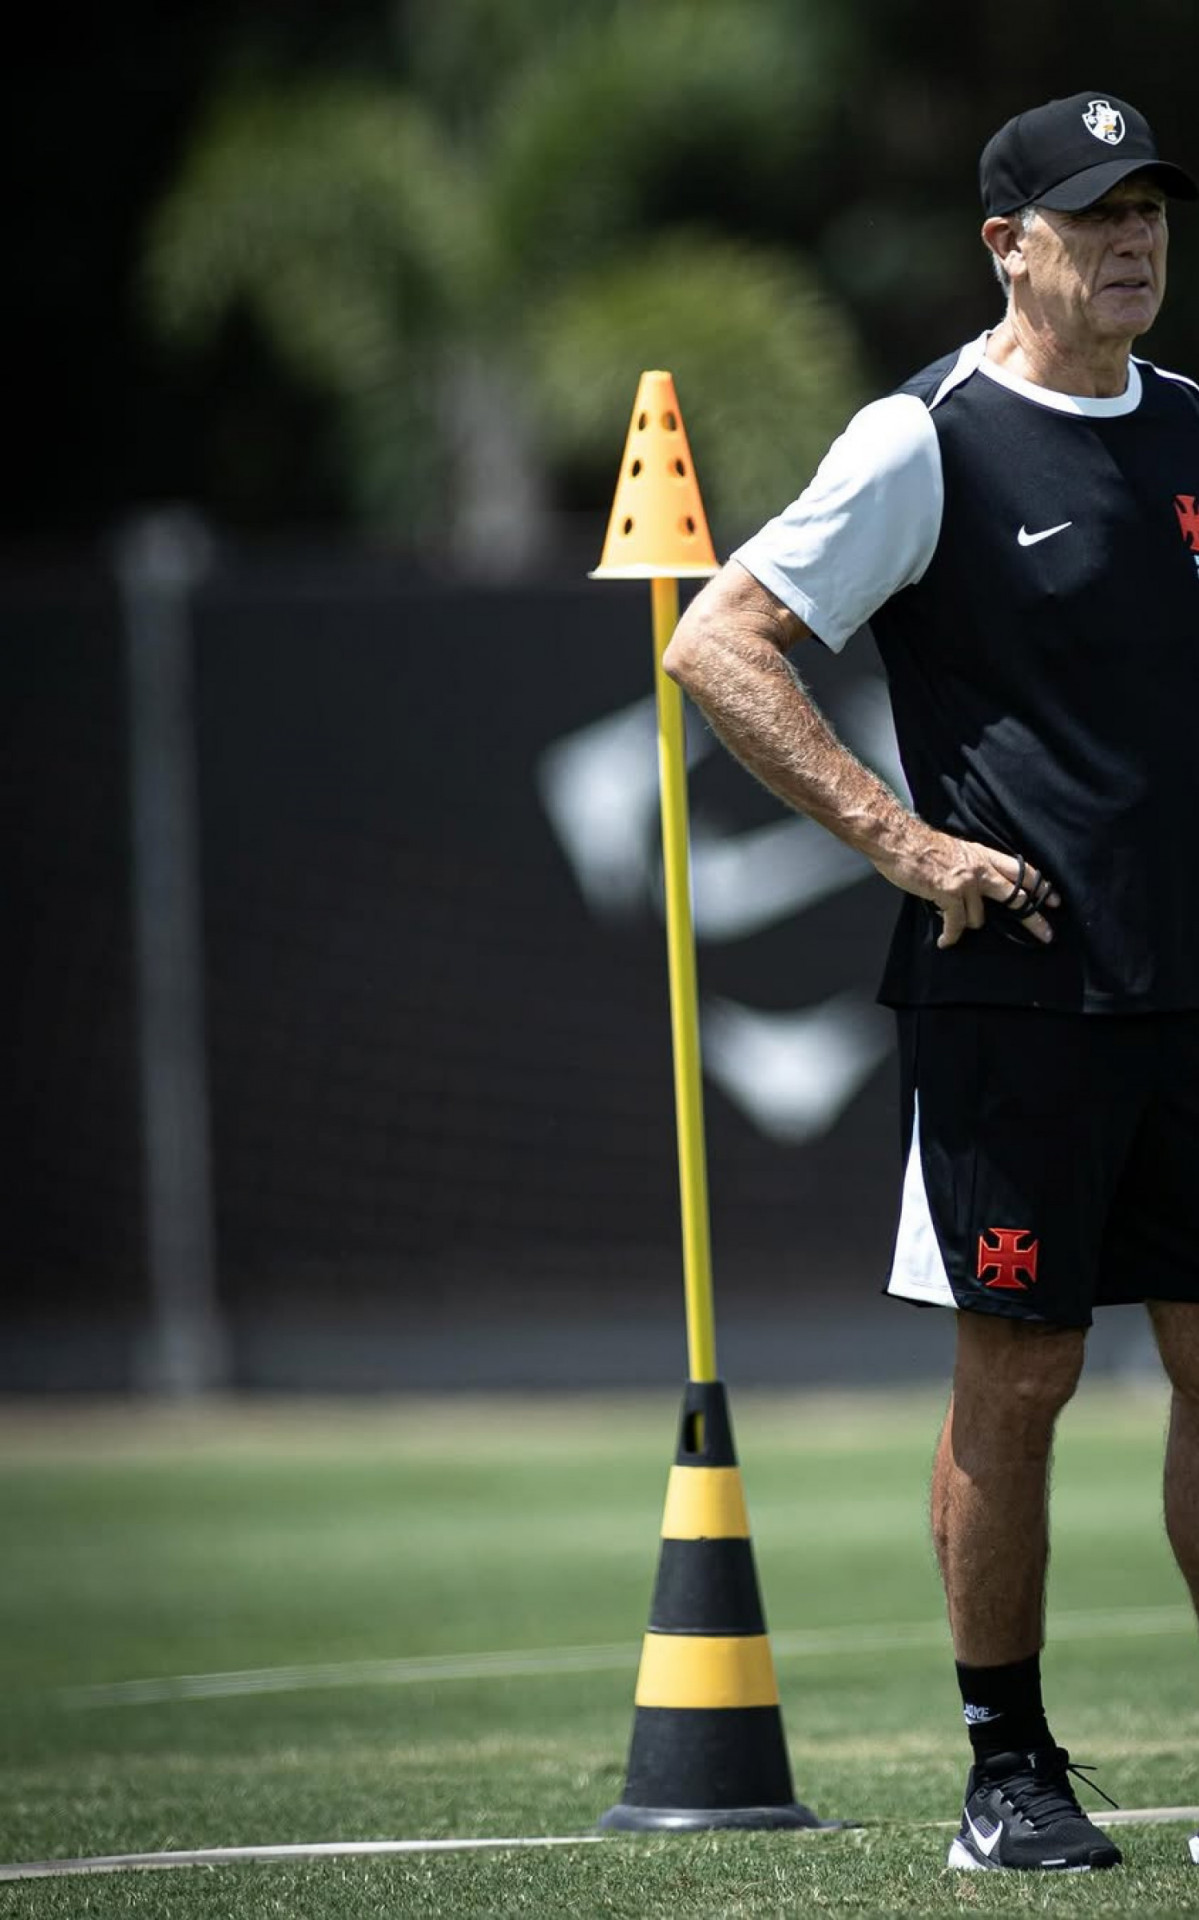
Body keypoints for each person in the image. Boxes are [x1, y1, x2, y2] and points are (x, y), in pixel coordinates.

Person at [663, 91, 1199, 1873]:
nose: (1133, 241)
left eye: (1150, 212)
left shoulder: (1197, 431)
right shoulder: (928, 439)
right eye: (1094, 215)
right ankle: (1008, 1776)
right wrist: (903, 844)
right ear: (1006, 244)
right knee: (1020, 1386)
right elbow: (718, 640)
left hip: (1195, 999)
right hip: (1022, 1007)